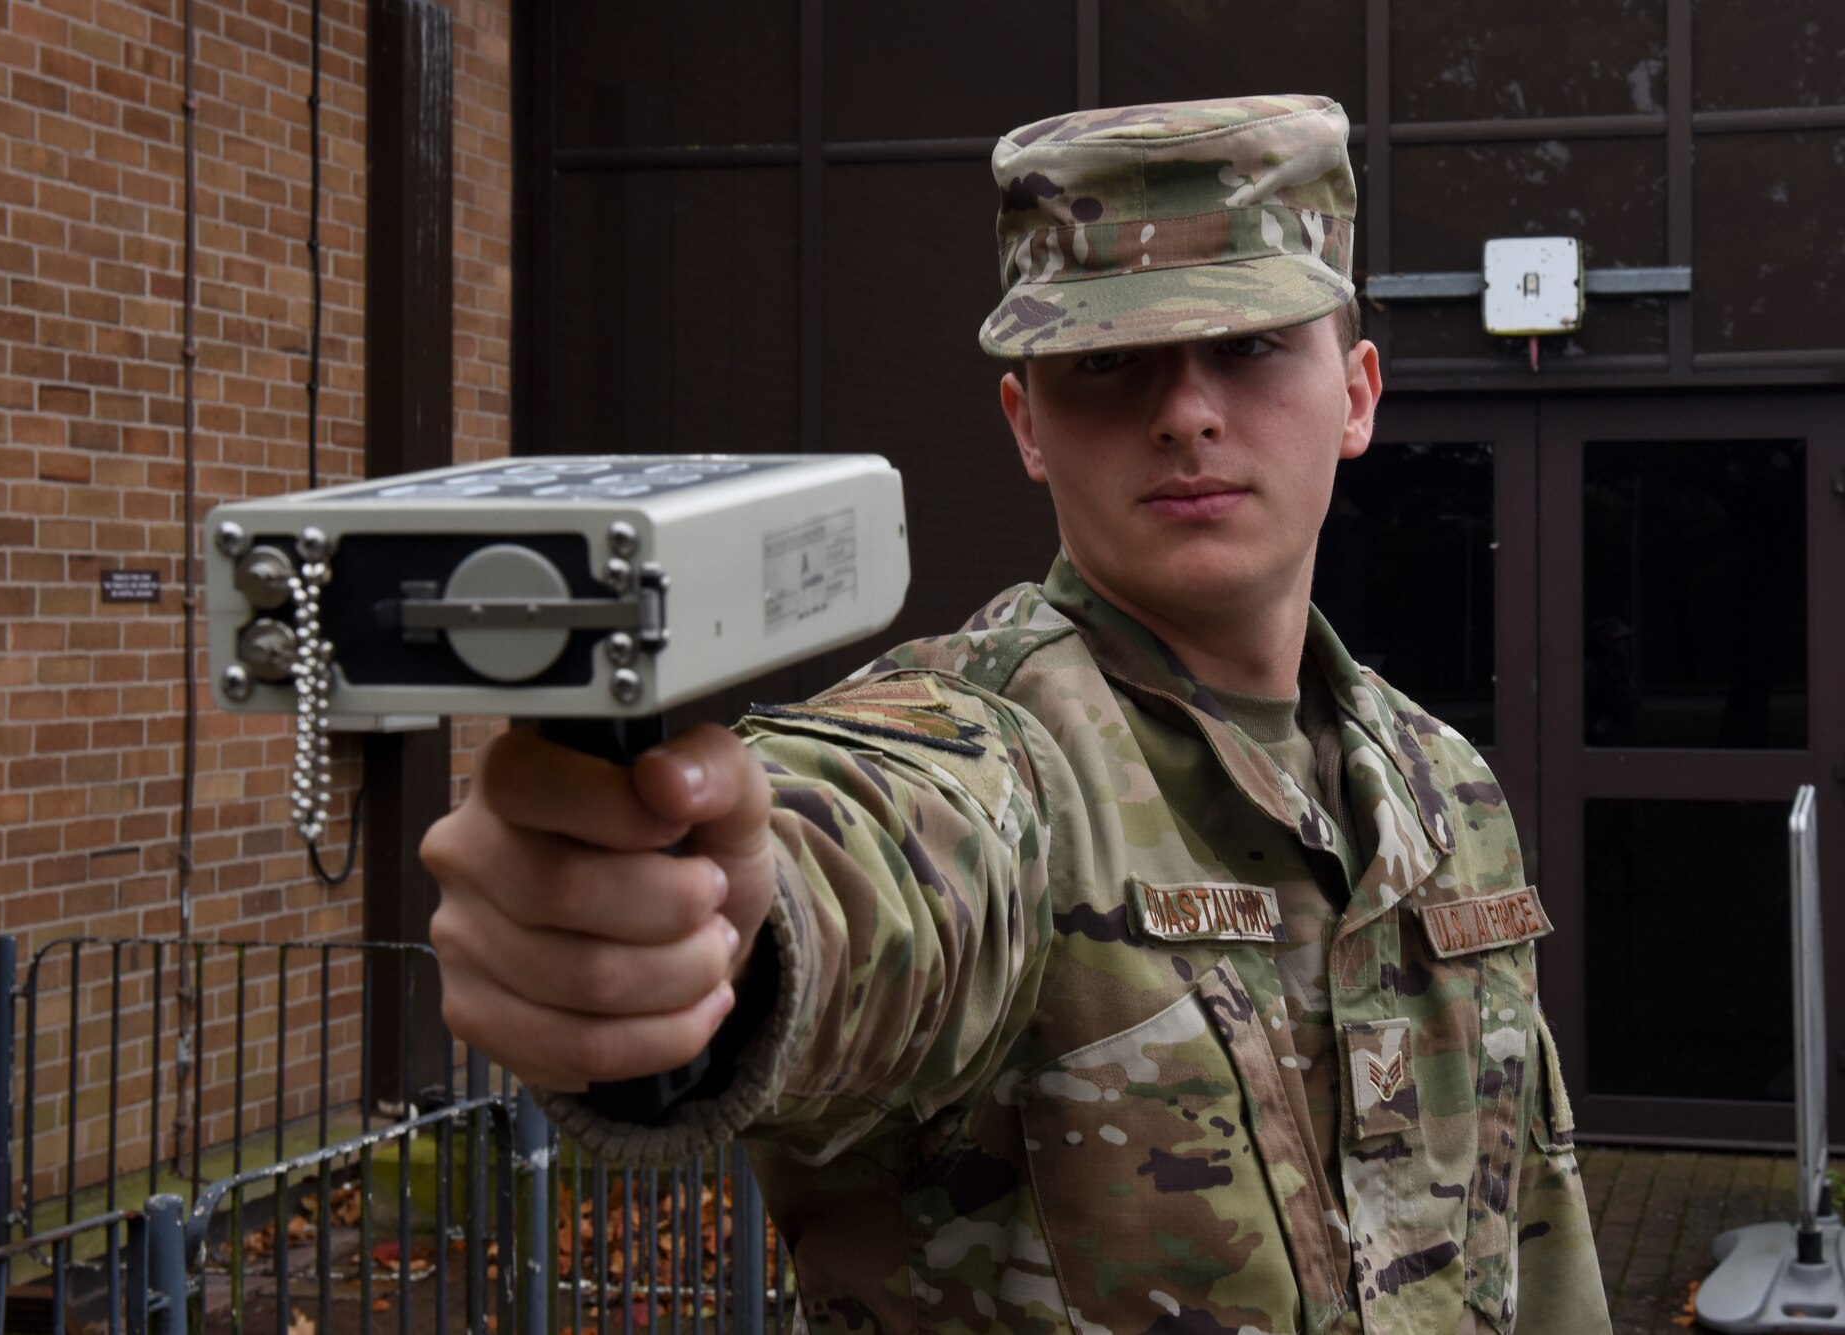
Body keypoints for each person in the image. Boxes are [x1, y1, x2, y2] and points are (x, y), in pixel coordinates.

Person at [423, 94, 1610, 1334]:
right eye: (1107, 362)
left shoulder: (1446, 787)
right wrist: (703, 924)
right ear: (1025, 424)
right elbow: (870, 854)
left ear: (1356, 394)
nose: (1185, 412)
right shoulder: (1000, 755)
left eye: (1251, 346)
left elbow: (1537, 1231)